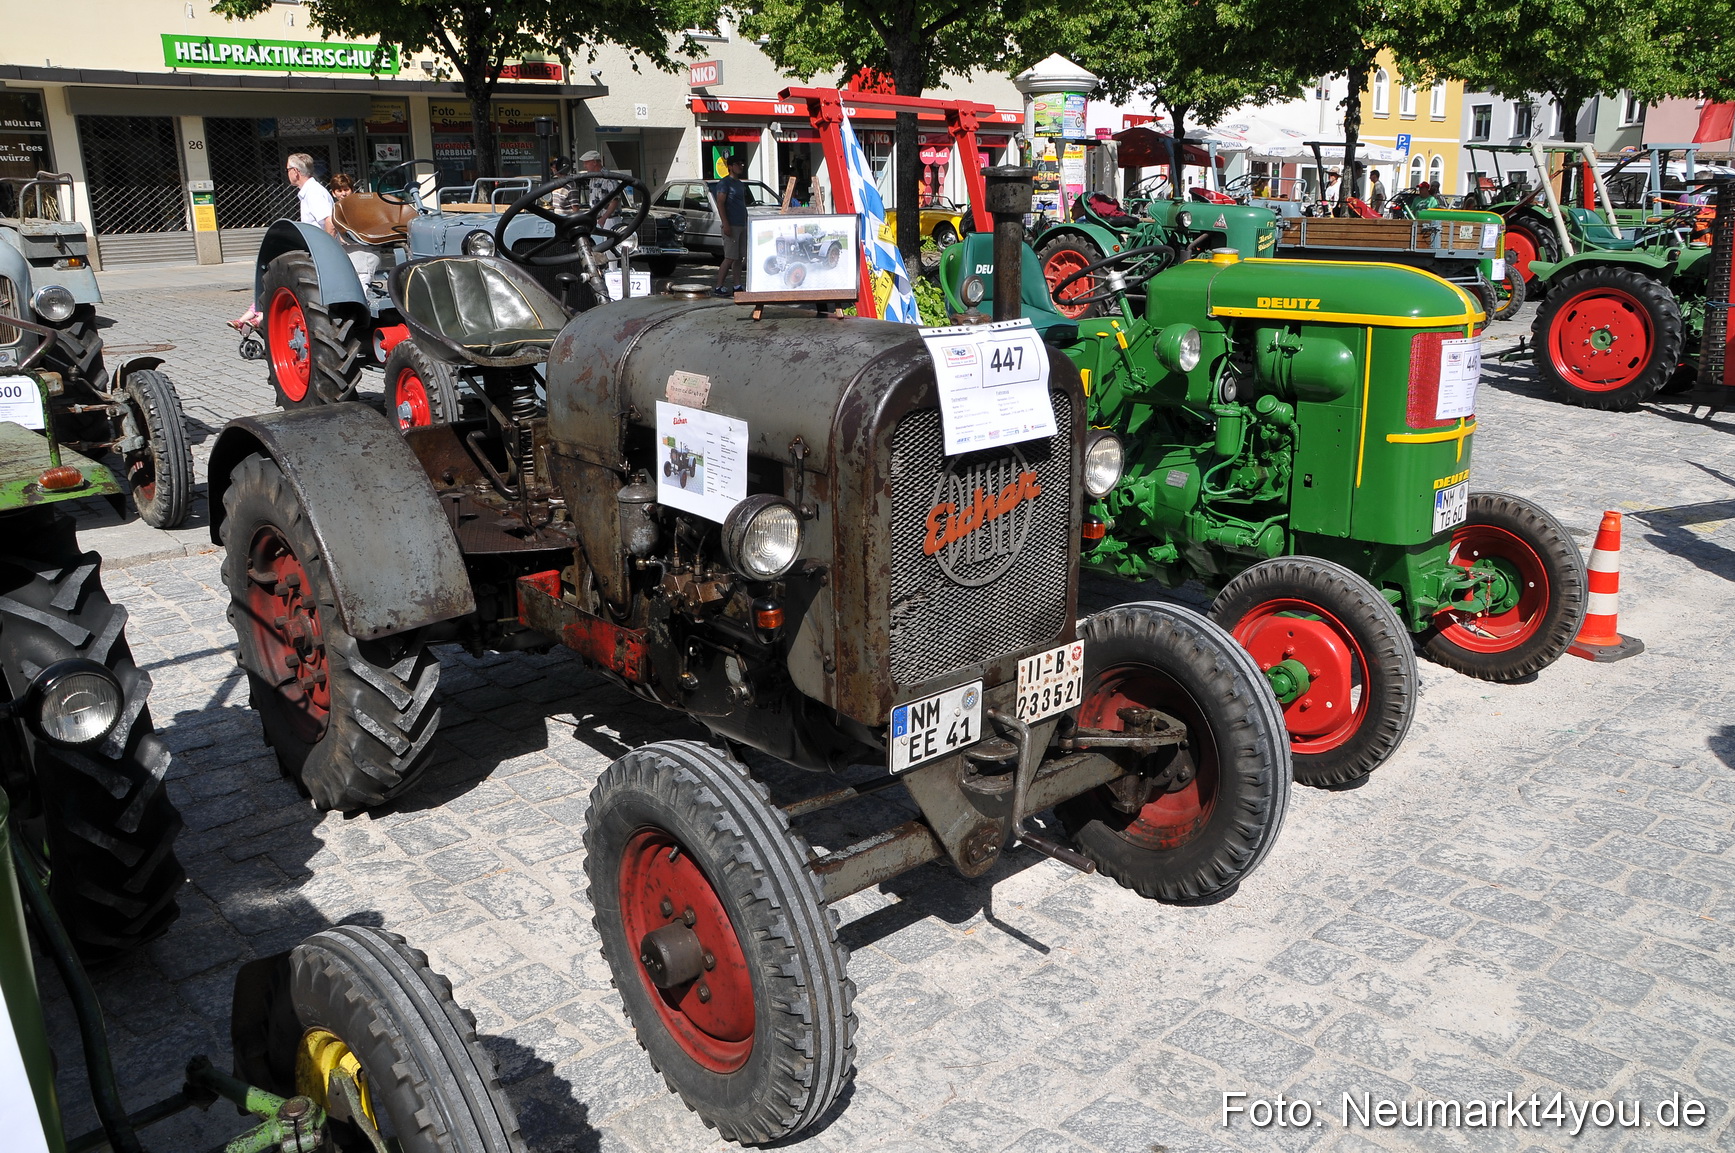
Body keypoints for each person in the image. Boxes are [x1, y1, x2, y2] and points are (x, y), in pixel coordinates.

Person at [232, 152, 332, 329]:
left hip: (320, 252)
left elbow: (329, 222)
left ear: (295, 172)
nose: (287, 174)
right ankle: (260, 315)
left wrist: (329, 252)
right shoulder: (307, 192)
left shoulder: (314, 193)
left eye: (287, 170)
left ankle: (262, 316)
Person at [327, 173, 380, 280]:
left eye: (346, 190)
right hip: (347, 261)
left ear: (352, 190)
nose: (343, 194)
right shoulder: (333, 214)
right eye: (339, 191)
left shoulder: (362, 209)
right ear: (333, 193)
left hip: (363, 260)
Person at [712, 154, 749, 297]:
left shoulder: (740, 184)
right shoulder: (724, 183)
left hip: (741, 224)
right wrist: (725, 223)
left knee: (739, 257)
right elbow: (720, 203)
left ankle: (737, 285)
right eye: (738, 164)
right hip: (731, 224)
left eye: (742, 164)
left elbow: (742, 203)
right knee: (730, 257)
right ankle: (719, 286)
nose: (741, 166)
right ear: (730, 166)